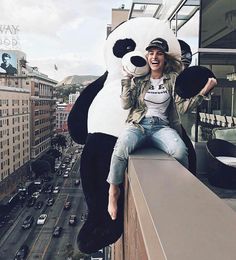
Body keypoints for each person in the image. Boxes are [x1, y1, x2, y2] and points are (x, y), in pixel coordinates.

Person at [107, 37, 217, 220]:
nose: (154, 57)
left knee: (180, 151)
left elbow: (182, 108)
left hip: (161, 127)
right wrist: (126, 80)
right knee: (121, 148)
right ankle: (113, 190)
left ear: (164, 58)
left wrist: (203, 91)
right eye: (151, 53)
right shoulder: (139, 78)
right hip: (139, 125)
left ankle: (181, 191)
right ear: (147, 57)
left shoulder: (173, 79)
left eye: (159, 53)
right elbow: (126, 105)